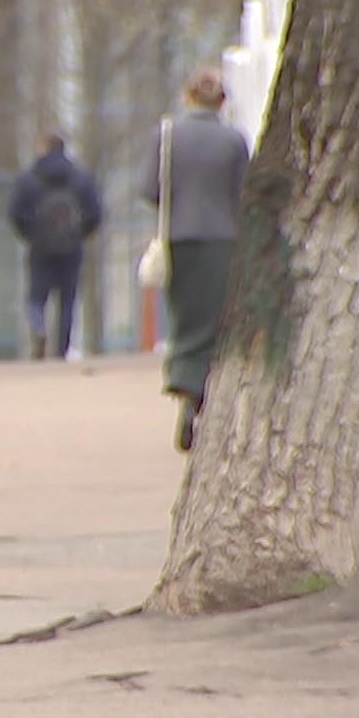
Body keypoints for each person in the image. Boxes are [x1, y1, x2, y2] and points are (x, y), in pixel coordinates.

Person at [141, 68, 250, 451]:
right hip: (222, 239)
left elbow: (151, 189)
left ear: (188, 97)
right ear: (222, 102)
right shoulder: (233, 141)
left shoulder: (167, 136)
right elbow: (242, 194)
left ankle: (187, 385)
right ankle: (202, 392)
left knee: (185, 315)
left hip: (179, 238)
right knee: (216, 316)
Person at [7, 134, 105, 361]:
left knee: (36, 297)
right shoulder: (80, 178)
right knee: (68, 301)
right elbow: (95, 213)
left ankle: (39, 327)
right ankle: (62, 350)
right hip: (71, 247)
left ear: (42, 149)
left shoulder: (28, 180)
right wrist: (80, 234)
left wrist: (30, 234)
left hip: (39, 247)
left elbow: (14, 213)